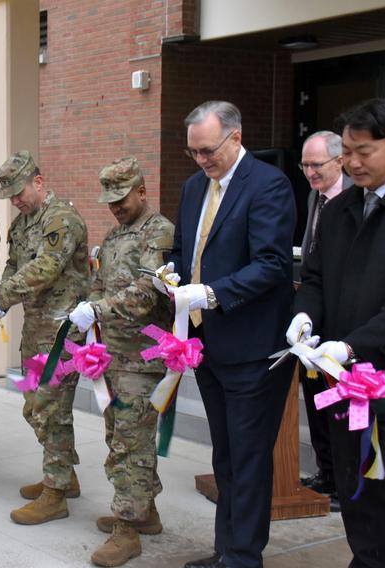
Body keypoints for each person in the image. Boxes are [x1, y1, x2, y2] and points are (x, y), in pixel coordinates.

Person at [165, 101, 296, 568]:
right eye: (193, 152)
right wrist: (172, 276)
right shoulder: (193, 188)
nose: (201, 160)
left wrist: (213, 293)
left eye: (208, 150)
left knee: (248, 457)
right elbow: (183, 249)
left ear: (236, 138)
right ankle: (227, 551)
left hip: (253, 346)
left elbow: (273, 264)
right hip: (208, 344)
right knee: (225, 456)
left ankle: (243, 557)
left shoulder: (268, 185)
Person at [290, 98, 385, 568]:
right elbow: (314, 277)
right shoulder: (336, 211)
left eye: (365, 151)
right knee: (354, 487)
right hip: (339, 381)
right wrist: (306, 316)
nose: (353, 162)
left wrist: (355, 344)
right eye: (348, 151)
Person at [0, 151, 89, 523]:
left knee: (51, 409)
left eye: (20, 191)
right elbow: (16, 267)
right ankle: (65, 475)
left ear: (39, 181)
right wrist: (1, 299)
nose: (16, 200)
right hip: (36, 331)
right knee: (36, 406)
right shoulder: (22, 226)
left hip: (63, 333)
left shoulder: (61, 220)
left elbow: (46, 268)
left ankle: (56, 492)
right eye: (10, 195)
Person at [67, 157, 174, 566]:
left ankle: (126, 527)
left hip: (142, 356)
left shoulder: (158, 232)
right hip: (112, 353)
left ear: (142, 192)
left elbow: (148, 292)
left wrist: (97, 310)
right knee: (121, 435)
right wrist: (79, 325)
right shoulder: (113, 237)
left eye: (122, 198)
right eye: (109, 199)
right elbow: (99, 285)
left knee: (130, 441)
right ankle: (146, 512)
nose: (115, 206)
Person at [296, 130, 351, 500]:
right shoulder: (314, 198)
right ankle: (326, 472)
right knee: (316, 399)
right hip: (313, 319)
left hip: (345, 326)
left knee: (341, 406)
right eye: (305, 165)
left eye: (317, 165)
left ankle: (345, 478)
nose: (310, 172)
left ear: (339, 161)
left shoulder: (353, 201)